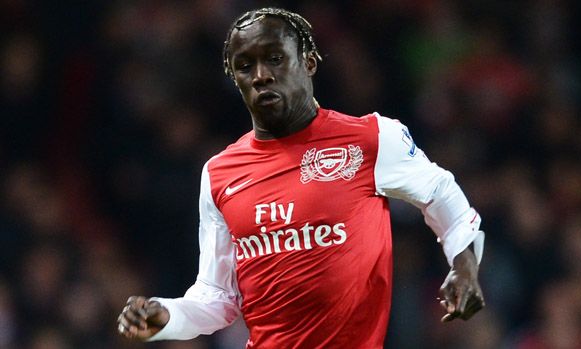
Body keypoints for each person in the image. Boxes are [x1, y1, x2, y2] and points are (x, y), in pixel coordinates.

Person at [117, 7, 485, 348]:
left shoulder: (371, 139)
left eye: (274, 59)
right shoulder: (218, 174)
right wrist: (165, 316)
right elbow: (217, 297)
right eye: (244, 66)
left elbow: (439, 191)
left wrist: (464, 266)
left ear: (308, 63)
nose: (261, 75)